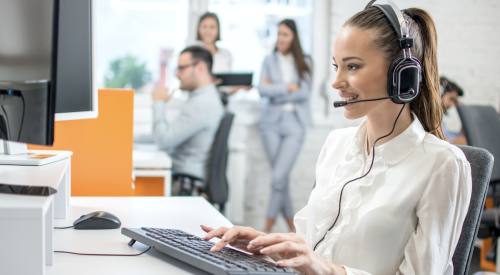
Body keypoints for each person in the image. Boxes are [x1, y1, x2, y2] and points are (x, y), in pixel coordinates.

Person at [201, 4, 472, 275]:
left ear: (402, 75)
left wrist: (328, 270)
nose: (336, 82)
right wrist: (266, 246)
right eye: (336, 66)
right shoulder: (337, 144)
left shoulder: (442, 166)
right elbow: (309, 245)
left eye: (352, 66)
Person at [258, 19, 312, 233]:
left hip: (295, 124)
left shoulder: (305, 61)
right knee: (281, 179)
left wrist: (276, 90)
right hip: (270, 124)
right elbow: (262, 90)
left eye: (285, 34)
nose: (281, 38)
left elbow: (305, 92)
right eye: (278, 34)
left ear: (293, 37)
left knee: (279, 177)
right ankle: (293, 230)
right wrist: (288, 87)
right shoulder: (268, 60)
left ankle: (266, 229)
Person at [143, 45, 224, 182]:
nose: (176, 74)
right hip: (182, 177)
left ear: (200, 68)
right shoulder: (205, 98)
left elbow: (163, 140)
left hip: (182, 182)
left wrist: (158, 102)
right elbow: (165, 135)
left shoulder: (200, 104)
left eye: (182, 68)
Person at [440, 76, 465, 142]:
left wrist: (464, 113)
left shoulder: (440, 115)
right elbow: (447, 140)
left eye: (454, 101)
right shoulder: (434, 114)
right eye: (451, 99)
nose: (452, 104)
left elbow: (461, 135)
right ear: (440, 93)